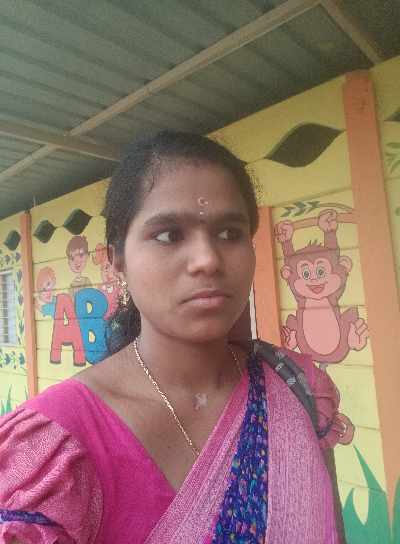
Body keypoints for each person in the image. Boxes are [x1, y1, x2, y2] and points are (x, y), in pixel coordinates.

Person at [0, 131, 345, 543]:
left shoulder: (297, 388)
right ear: (117, 259)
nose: (207, 260)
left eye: (230, 233)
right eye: (168, 235)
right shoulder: (56, 452)